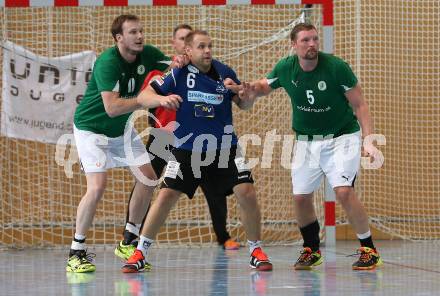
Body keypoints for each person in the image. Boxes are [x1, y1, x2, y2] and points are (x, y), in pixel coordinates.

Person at [227, 23, 382, 270]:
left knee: (343, 191)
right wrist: (248, 89)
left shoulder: (336, 67)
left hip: (341, 137)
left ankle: (369, 250)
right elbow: (263, 86)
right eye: (305, 40)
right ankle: (311, 249)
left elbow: (360, 104)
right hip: (306, 141)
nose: (312, 44)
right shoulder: (286, 68)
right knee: (300, 197)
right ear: (294, 45)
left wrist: (369, 139)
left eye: (314, 39)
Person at [121, 30, 272, 273]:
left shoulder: (225, 72)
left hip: (224, 148)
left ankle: (256, 250)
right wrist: (161, 100)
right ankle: (140, 252)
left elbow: (243, 104)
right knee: (165, 195)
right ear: (188, 51)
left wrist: (248, 97)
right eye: (201, 47)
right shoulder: (178, 72)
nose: (208, 51)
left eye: (210, 46)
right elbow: (144, 95)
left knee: (247, 192)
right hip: (187, 148)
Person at [67, 14, 185, 273]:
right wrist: (146, 100)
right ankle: (76, 251)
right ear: (119, 38)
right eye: (133, 32)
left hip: (121, 131)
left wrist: (179, 61)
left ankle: (129, 240)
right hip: (92, 130)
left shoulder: (148, 54)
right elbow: (111, 108)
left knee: (148, 178)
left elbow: (171, 66)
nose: (140, 36)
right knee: (97, 187)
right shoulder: (108, 63)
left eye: (141, 31)